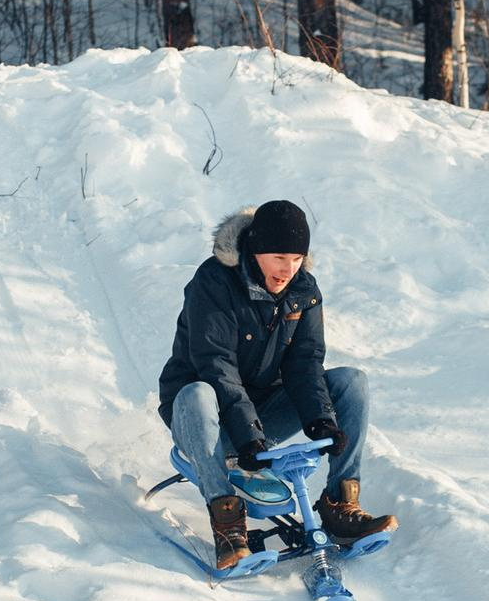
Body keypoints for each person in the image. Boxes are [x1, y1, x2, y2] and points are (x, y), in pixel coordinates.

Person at [157, 199, 396, 573]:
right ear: (255, 250)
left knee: (351, 381)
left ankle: (340, 505)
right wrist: (247, 436)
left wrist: (321, 421)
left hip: (260, 414)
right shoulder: (214, 282)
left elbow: (305, 363)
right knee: (198, 391)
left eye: (297, 258)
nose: (288, 269)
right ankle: (228, 527)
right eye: (279, 257)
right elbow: (216, 367)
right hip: (204, 415)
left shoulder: (304, 289)